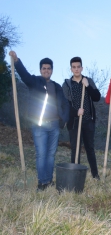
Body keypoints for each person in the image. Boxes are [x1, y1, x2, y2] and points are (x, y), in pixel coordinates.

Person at [9, 51, 69, 191]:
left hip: (54, 125)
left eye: (49, 68)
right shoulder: (34, 82)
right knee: (41, 154)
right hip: (39, 125)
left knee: (51, 154)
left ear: (52, 70)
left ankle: (48, 180)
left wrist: (64, 119)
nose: (46, 70)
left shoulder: (57, 86)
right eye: (44, 68)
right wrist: (17, 61)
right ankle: (42, 183)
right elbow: (24, 75)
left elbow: (65, 104)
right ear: (40, 70)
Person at [62, 57, 100, 179]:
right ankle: (74, 176)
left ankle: (95, 175)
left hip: (88, 121)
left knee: (90, 148)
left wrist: (88, 86)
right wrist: (76, 111)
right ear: (71, 69)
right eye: (74, 67)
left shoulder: (88, 80)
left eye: (78, 67)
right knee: (75, 148)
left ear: (82, 68)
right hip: (74, 122)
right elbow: (65, 104)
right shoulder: (67, 84)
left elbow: (97, 97)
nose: (76, 69)